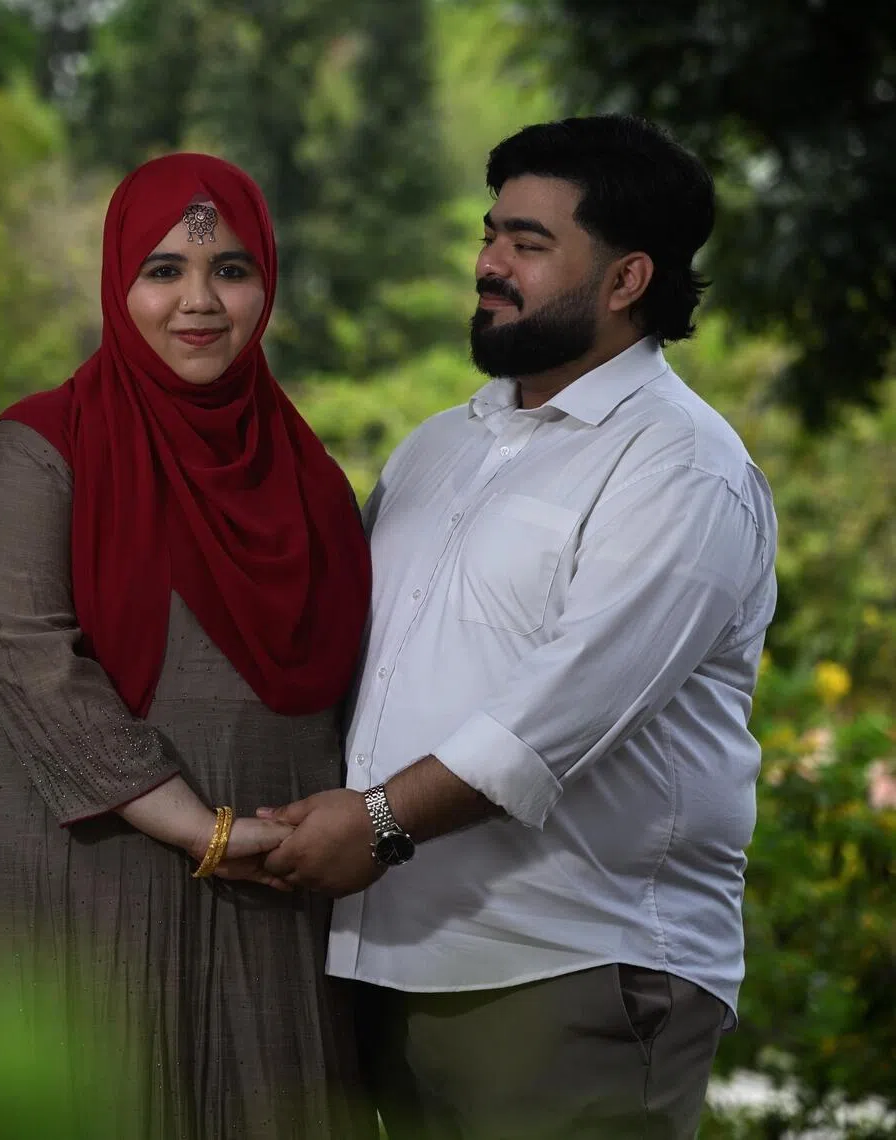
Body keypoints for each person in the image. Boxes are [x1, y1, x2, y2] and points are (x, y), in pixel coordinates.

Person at [259, 114, 778, 1139]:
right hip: (383, 961)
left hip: (568, 968)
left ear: (628, 280)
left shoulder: (681, 467)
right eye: (491, 234)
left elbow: (559, 713)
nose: (489, 264)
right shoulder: (439, 446)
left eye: (529, 244)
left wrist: (376, 820)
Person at [0, 153, 377, 1140]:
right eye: (163, 270)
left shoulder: (312, 484)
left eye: (231, 270)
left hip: (272, 891)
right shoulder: (39, 448)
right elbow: (27, 658)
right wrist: (200, 829)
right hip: (75, 868)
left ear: (267, 286)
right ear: (117, 284)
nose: (198, 301)